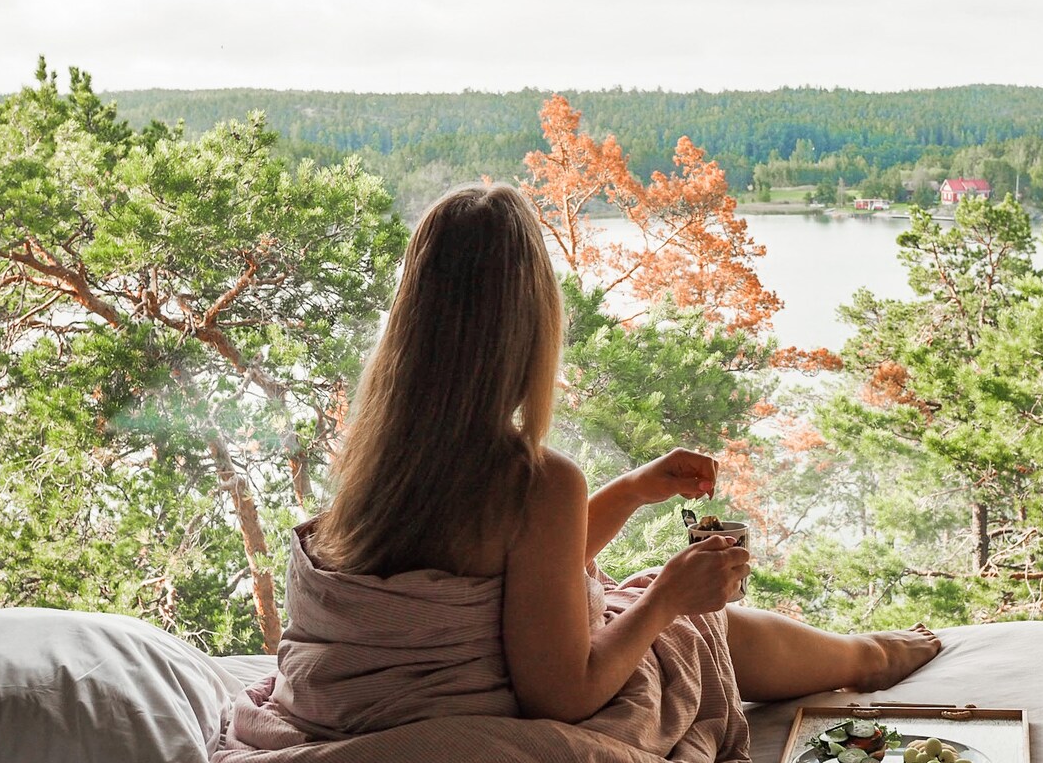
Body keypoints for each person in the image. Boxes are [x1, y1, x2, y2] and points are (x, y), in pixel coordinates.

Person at [311, 182, 941, 725]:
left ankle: (865, 654)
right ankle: (868, 659)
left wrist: (634, 490)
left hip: (354, 711)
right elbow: (562, 695)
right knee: (687, 628)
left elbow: (502, 574)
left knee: (636, 603)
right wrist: (667, 598)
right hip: (468, 727)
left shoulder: (381, 459)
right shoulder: (533, 481)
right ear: (531, 327)